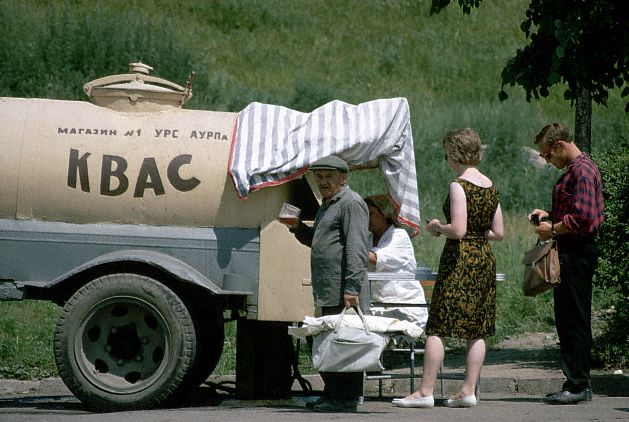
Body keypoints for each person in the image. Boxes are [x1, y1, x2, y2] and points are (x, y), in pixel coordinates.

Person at [393, 128, 504, 409]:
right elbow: (498, 232)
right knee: (476, 329)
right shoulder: (490, 186)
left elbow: (458, 229)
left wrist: (436, 228)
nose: (446, 160)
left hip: (460, 260)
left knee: (438, 325)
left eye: (447, 154)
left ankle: (425, 391)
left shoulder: (459, 185)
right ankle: (468, 390)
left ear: (455, 154)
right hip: (483, 259)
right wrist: (476, 233)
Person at [279, 155, 370, 413]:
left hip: (342, 288)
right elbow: (320, 242)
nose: (323, 181)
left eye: (329, 176)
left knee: (342, 343)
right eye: (319, 177)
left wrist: (352, 288)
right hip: (327, 287)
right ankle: (333, 393)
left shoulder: (351, 203)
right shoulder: (328, 204)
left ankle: (344, 398)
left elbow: (356, 249)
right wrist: (297, 228)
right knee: (327, 341)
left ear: (344, 178)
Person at [528, 123, 604, 405]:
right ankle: (574, 382)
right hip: (571, 250)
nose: (548, 161)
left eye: (548, 155)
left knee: (574, 319)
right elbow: (576, 209)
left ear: (560, 145)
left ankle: (578, 385)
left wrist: (553, 229)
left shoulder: (582, 170)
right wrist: (548, 214)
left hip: (576, 251)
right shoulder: (575, 171)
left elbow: (583, 218)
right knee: (568, 318)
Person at [364, 194, 427, 328]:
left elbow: (375, 258)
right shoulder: (368, 239)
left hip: (403, 305)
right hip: (377, 305)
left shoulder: (399, 236)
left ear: (385, 214)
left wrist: (348, 247)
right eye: (365, 214)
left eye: (371, 214)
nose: (367, 218)